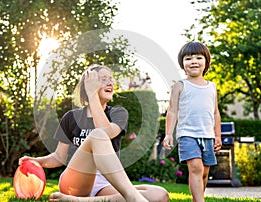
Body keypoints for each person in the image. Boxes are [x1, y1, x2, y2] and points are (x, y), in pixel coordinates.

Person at [19, 64, 169, 202]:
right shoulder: (71, 117)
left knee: (160, 195)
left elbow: (106, 131)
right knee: (97, 136)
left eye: (111, 79)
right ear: (89, 85)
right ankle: (132, 198)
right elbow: (59, 156)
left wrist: (94, 98)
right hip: (75, 181)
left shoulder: (119, 113)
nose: (110, 83)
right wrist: (38, 161)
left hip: (104, 184)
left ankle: (81, 201)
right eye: (103, 80)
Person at [162, 42, 222, 202]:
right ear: (183, 64)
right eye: (188, 58)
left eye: (198, 57)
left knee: (204, 172)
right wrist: (168, 134)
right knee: (196, 167)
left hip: (208, 136)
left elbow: (216, 113)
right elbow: (172, 111)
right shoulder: (180, 86)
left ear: (206, 62)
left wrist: (218, 135)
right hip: (188, 135)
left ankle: (197, 199)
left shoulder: (212, 87)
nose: (193, 61)